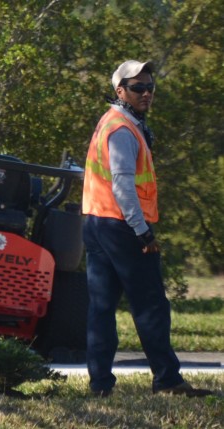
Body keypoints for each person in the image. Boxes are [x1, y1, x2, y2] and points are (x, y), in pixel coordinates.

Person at [81, 60, 212, 397]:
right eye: (137, 87)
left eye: (150, 86)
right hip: (122, 226)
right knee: (151, 304)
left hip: (95, 222)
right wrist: (142, 231)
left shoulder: (111, 121)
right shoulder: (123, 129)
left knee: (102, 307)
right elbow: (124, 186)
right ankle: (167, 380)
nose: (146, 93)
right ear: (120, 90)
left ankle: (100, 385)